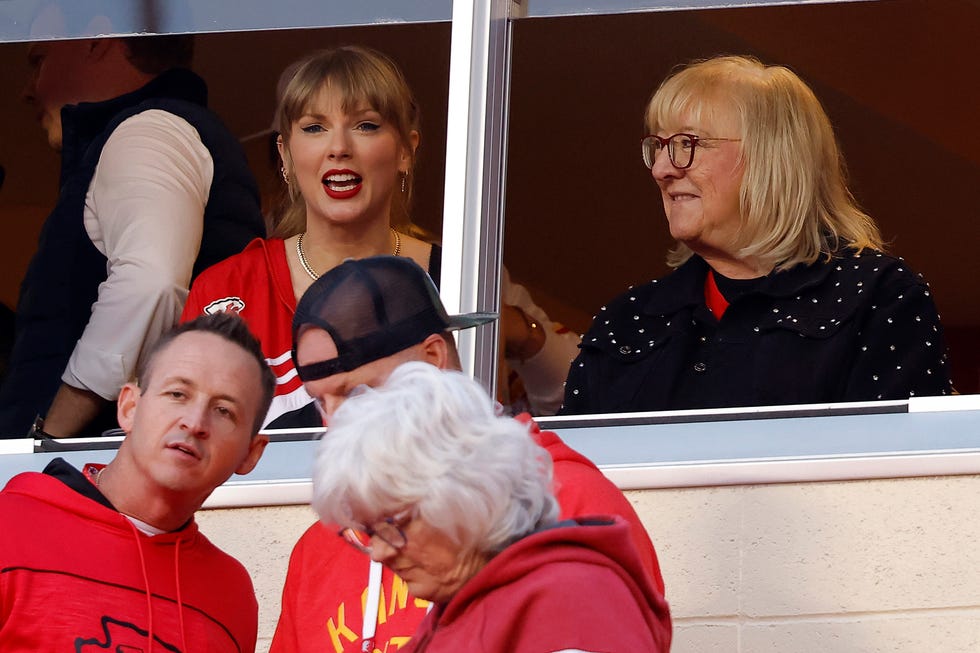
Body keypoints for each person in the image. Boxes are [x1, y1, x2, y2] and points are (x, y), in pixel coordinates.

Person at [270, 255, 665, 653]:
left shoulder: (571, 499)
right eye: (321, 402)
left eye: (354, 393)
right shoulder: (319, 548)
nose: (335, 423)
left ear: (432, 361)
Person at [182, 45, 578, 429]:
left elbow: (583, 402)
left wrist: (518, 334)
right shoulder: (227, 288)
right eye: (315, 128)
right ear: (284, 155)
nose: (339, 148)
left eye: (366, 125)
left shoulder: (461, 276)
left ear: (406, 150)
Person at [561, 55, 954, 415]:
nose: (662, 169)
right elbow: (570, 479)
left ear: (772, 158)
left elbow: (900, 479)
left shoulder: (876, 298)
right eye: (659, 146)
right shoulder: (629, 318)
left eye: (687, 144)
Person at [0, 34, 266, 439]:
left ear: (94, 40)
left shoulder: (147, 131)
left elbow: (150, 284)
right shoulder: (158, 129)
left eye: (38, 59)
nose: (26, 90)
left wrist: (48, 436)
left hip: (89, 476)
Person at [311, 361, 671, 652]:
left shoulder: (569, 601)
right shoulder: (466, 602)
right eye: (367, 532)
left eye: (390, 525)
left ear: (466, 497)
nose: (378, 552)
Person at [0, 313, 275, 651]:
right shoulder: (10, 527)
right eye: (177, 394)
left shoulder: (231, 594)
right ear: (129, 407)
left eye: (223, 411)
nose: (194, 422)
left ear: (251, 453)